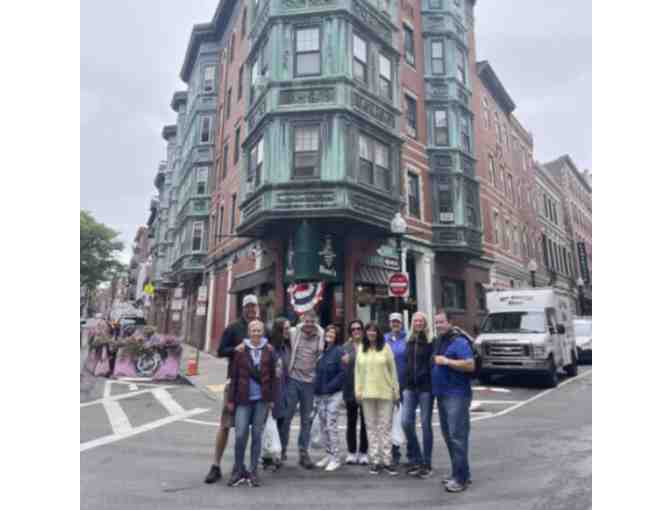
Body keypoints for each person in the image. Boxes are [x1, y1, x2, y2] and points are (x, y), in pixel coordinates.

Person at [204, 294, 260, 484]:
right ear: (243, 308)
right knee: (226, 425)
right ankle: (216, 465)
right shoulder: (233, 328)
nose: (251, 310)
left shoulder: (260, 328)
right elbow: (220, 351)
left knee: (250, 429)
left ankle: (245, 466)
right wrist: (235, 349)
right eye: (248, 307)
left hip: (255, 386)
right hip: (234, 383)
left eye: (254, 307)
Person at [226, 319, 278, 487]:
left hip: (262, 400)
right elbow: (234, 375)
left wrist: (272, 399)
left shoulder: (269, 350)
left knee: (256, 435)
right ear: (249, 332)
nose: (256, 333)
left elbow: (274, 377)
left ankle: (253, 471)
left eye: (259, 330)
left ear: (263, 332)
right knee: (240, 434)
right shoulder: (241, 350)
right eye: (253, 330)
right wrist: (231, 399)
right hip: (243, 399)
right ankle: (238, 470)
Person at [432, 310, 476, 493]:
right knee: (449, 436)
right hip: (442, 394)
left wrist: (447, 361)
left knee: (457, 437)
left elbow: (470, 364)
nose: (438, 325)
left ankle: (460, 479)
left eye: (441, 322)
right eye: (436, 322)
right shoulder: (440, 340)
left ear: (450, 322)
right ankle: (460, 473)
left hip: (457, 395)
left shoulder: (459, 341)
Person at [279, 309, 325, 469]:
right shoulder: (294, 332)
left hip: (310, 383)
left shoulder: (320, 335)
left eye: (312, 322)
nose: (309, 325)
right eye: (306, 321)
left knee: (306, 420)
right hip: (293, 379)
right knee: (287, 417)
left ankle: (303, 452)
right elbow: (279, 335)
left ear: (316, 322)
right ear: (301, 321)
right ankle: (281, 450)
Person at [355, 322, 400, 476]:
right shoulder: (361, 348)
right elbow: (357, 372)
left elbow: (393, 371)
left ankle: (387, 461)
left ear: (378, 333)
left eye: (374, 331)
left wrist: (396, 391)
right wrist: (358, 391)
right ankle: (374, 460)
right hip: (366, 394)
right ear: (365, 333)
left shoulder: (386, 348)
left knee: (385, 427)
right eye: (369, 331)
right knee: (371, 428)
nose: (371, 333)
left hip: (385, 393)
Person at [401, 311, 435, 478]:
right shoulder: (408, 340)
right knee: (406, 422)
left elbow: (433, 365)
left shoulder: (431, 341)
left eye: (421, 321)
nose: (418, 323)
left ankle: (426, 464)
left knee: (426, 425)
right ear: (412, 323)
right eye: (416, 321)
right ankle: (417, 458)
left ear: (425, 323)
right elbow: (406, 362)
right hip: (409, 387)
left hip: (425, 388)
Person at [261, 317, 291, 471]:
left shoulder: (286, 348)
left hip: (284, 391)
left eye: (289, 328)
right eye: (285, 328)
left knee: (282, 424)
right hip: (273, 392)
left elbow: (286, 372)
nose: (288, 331)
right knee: (269, 424)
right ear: (279, 330)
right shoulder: (270, 349)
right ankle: (267, 456)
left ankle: (278, 454)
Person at [313, 325, 346, 472]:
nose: (330, 334)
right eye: (328, 332)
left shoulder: (340, 351)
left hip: (334, 394)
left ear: (337, 336)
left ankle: (336, 458)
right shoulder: (321, 351)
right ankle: (329, 454)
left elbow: (342, 374)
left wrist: (329, 387)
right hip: (320, 395)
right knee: (323, 426)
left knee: (331, 426)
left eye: (333, 333)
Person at [341, 319, 369, 465]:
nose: (356, 331)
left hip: (366, 388)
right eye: (353, 329)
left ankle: (364, 452)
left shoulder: (368, 345)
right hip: (350, 388)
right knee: (351, 422)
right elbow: (341, 366)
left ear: (362, 330)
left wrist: (351, 358)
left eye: (358, 328)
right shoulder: (345, 347)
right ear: (350, 332)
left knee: (366, 422)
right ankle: (351, 452)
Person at [384, 312, 408, 466]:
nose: (395, 324)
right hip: (387, 385)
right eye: (393, 321)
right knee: (389, 419)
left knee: (405, 420)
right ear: (389, 323)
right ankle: (393, 451)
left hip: (404, 385)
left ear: (401, 323)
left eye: (397, 322)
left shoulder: (407, 338)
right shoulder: (384, 339)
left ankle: (411, 452)